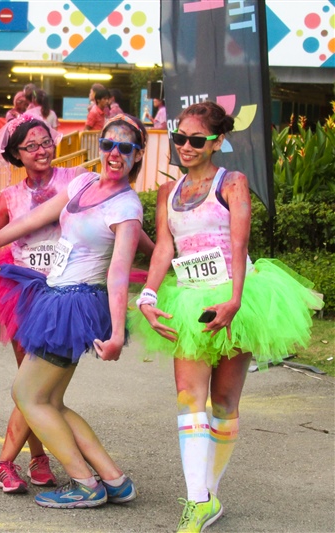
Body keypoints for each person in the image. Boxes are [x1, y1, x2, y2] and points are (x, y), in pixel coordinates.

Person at [132, 101, 323, 532]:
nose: (185, 146)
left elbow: (239, 245)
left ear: (218, 141)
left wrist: (236, 300)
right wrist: (146, 294)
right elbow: (164, 247)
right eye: (179, 137)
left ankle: (208, 495)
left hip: (239, 297)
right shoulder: (167, 193)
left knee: (223, 402)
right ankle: (197, 501)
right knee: (187, 397)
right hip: (189, 299)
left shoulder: (231, 182)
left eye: (196, 140)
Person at [0, 114, 148, 509]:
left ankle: (86, 484)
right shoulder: (82, 182)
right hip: (57, 297)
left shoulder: (126, 205)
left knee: (26, 393)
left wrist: (118, 333)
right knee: (48, 400)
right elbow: (33, 219)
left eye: (126, 148)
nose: (115, 153)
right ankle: (114, 480)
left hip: (76, 303)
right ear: (98, 147)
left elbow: (119, 272)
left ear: (138, 156)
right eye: (108, 145)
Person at [0, 114, 75, 493]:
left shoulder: (73, 180)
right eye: (31, 146)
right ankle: (36, 458)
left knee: (39, 387)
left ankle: (15, 461)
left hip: (66, 296)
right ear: (16, 155)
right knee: (30, 381)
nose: (41, 150)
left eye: (46, 142)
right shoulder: (10, 196)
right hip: (23, 295)